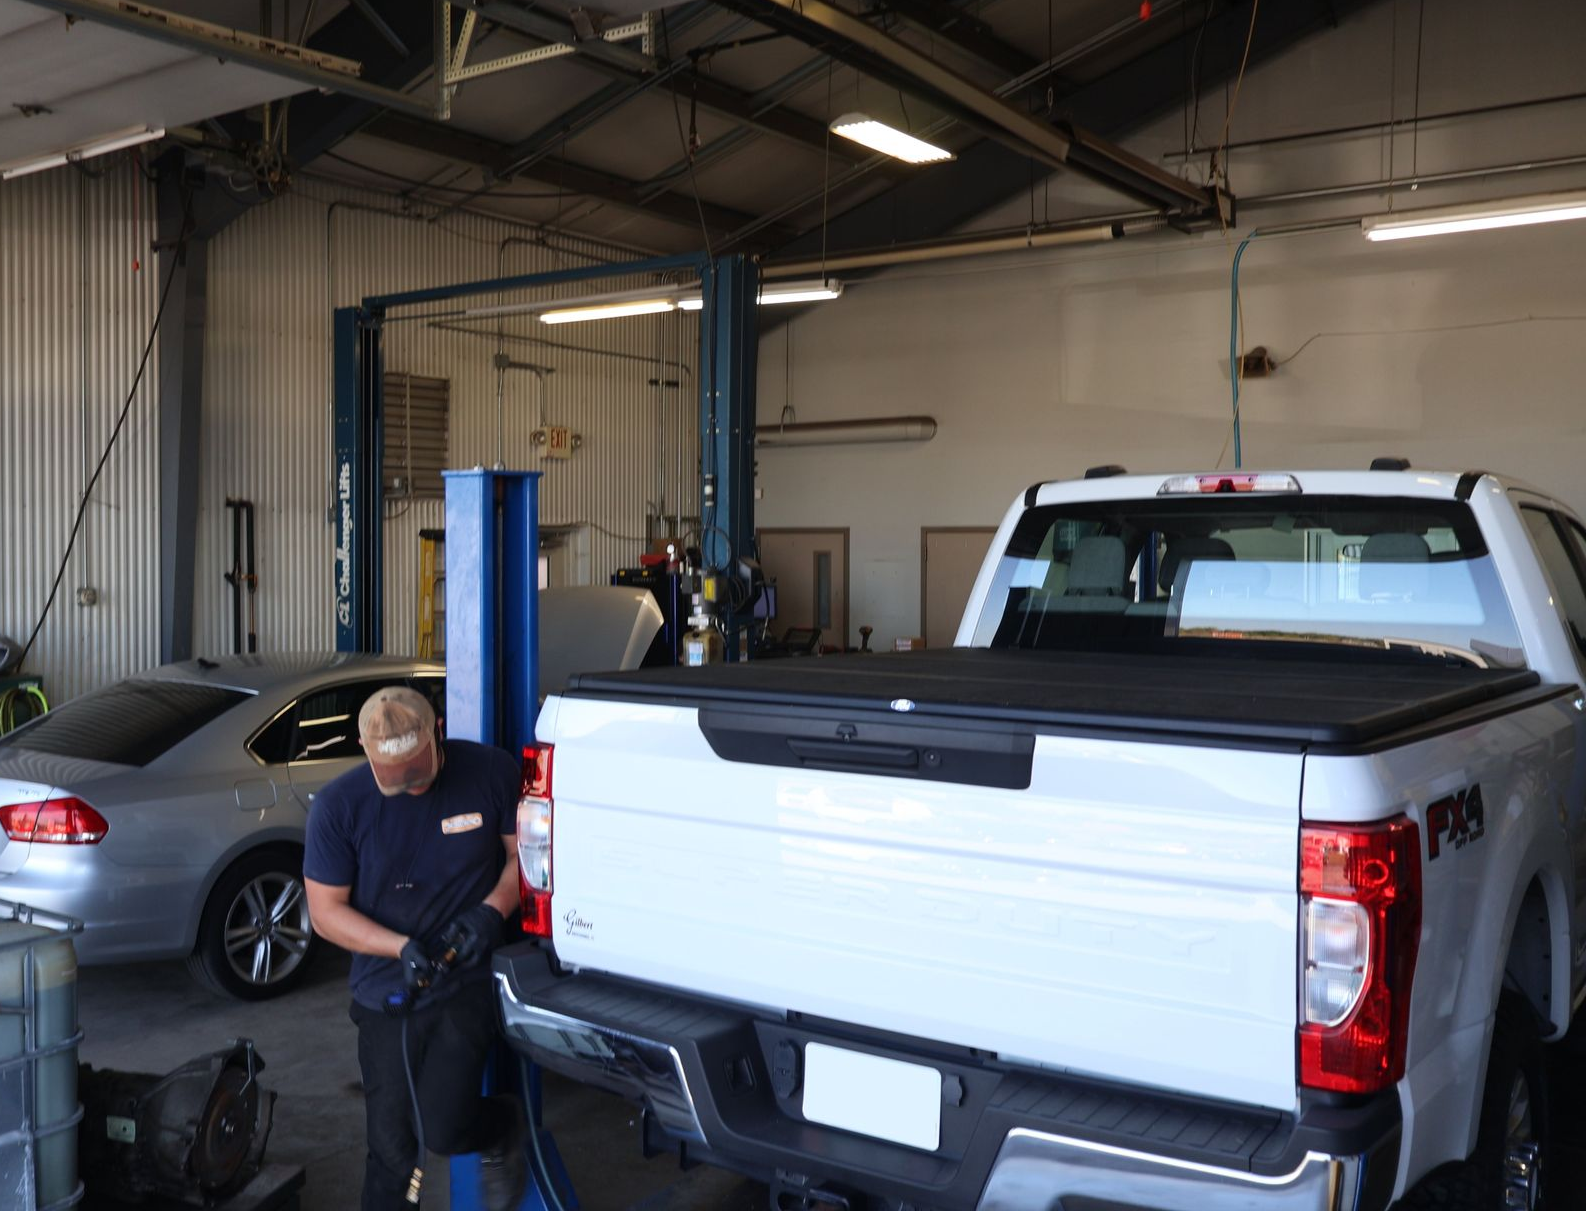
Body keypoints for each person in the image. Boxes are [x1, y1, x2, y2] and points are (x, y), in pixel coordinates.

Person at [304, 685, 527, 1211]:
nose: (407, 782)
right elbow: (324, 912)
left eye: (416, 767)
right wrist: (399, 947)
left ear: (438, 730)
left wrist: (492, 911)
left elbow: (528, 859)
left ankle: (500, 1127)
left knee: (446, 1130)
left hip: (465, 979)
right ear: (364, 749)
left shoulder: (491, 774)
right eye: (392, 773)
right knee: (392, 1152)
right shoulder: (339, 809)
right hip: (388, 991)